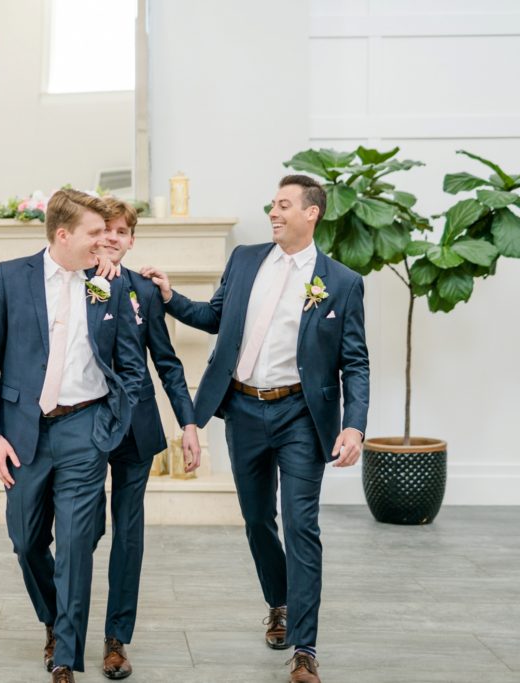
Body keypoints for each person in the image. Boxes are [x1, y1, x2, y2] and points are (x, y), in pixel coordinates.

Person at [142, 175, 369, 683]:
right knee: (256, 519)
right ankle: (279, 602)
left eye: (284, 205)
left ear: (311, 213)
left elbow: (355, 362)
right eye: (273, 204)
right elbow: (214, 317)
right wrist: (170, 296)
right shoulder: (245, 260)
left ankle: (305, 649)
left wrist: (354, 426)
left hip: (301, 417)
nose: (273, 212)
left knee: (301, 525)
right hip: (243, 410)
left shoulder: (342, 282)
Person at [0, 189, 145, 683]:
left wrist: (110, 425)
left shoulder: (108, 282)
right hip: (21, 431)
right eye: (94, 233)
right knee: (26, 540)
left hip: (84, 428)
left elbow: (131, 365)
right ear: (63, 234)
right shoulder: (8, 278)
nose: (104, 241)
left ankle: (66, 654)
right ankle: (53, 618)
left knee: (74, 544)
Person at [95, 197, 201, 680]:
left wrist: (188, 424)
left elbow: (168, 362)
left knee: (129, 533)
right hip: (81, 425)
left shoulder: (145, 291)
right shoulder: (70, 281)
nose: (112, 237)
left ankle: (117, 638)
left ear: (132, 241)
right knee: (82, 530)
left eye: (121, 231)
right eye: (105, 228)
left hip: (136, 428)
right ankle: (62, 624)